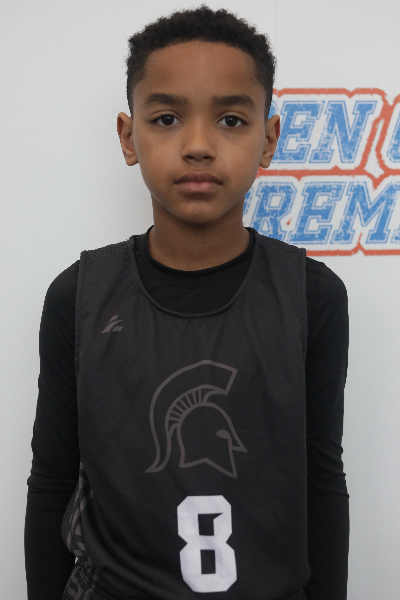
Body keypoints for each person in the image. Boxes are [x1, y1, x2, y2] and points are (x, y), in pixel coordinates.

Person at [25, 6, 349, 600]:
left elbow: (321, 482)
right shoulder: (78, 296)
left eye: (230, 119)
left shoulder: (312, 295)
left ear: (268, 139)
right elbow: (51, 483)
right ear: (129, 137)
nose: (198, 145)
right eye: (168, 118)